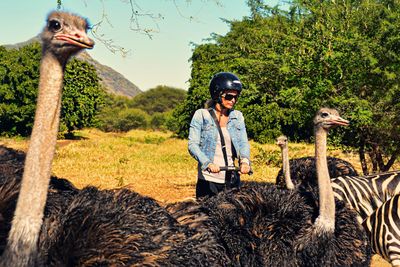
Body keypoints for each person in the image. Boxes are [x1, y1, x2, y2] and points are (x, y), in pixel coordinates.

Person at [188, 72, 251, 199]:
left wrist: (244, 161)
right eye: (229, 96)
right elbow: (192, 145)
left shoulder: (237, 116)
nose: (233, 100)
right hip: (208, 179)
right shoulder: (201, 115)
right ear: (217, 95)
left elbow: (243, 143)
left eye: (236, 97)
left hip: (231, 179)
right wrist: (208, 163)